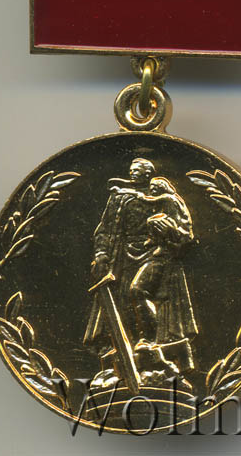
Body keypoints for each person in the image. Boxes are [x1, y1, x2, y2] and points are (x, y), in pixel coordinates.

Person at [83, 158, 198, 378]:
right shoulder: (119, 198)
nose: (133, 173)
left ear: (148, 174)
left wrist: (170, 232)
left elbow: (186, 235)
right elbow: (105, 229)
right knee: (125, 305)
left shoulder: (167, 199)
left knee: (138, 292)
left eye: (138, 170)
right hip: (123, 259)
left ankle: (150, 343)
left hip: (156, 255)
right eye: (132, 170)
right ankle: (131, 358)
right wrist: (101, 254)